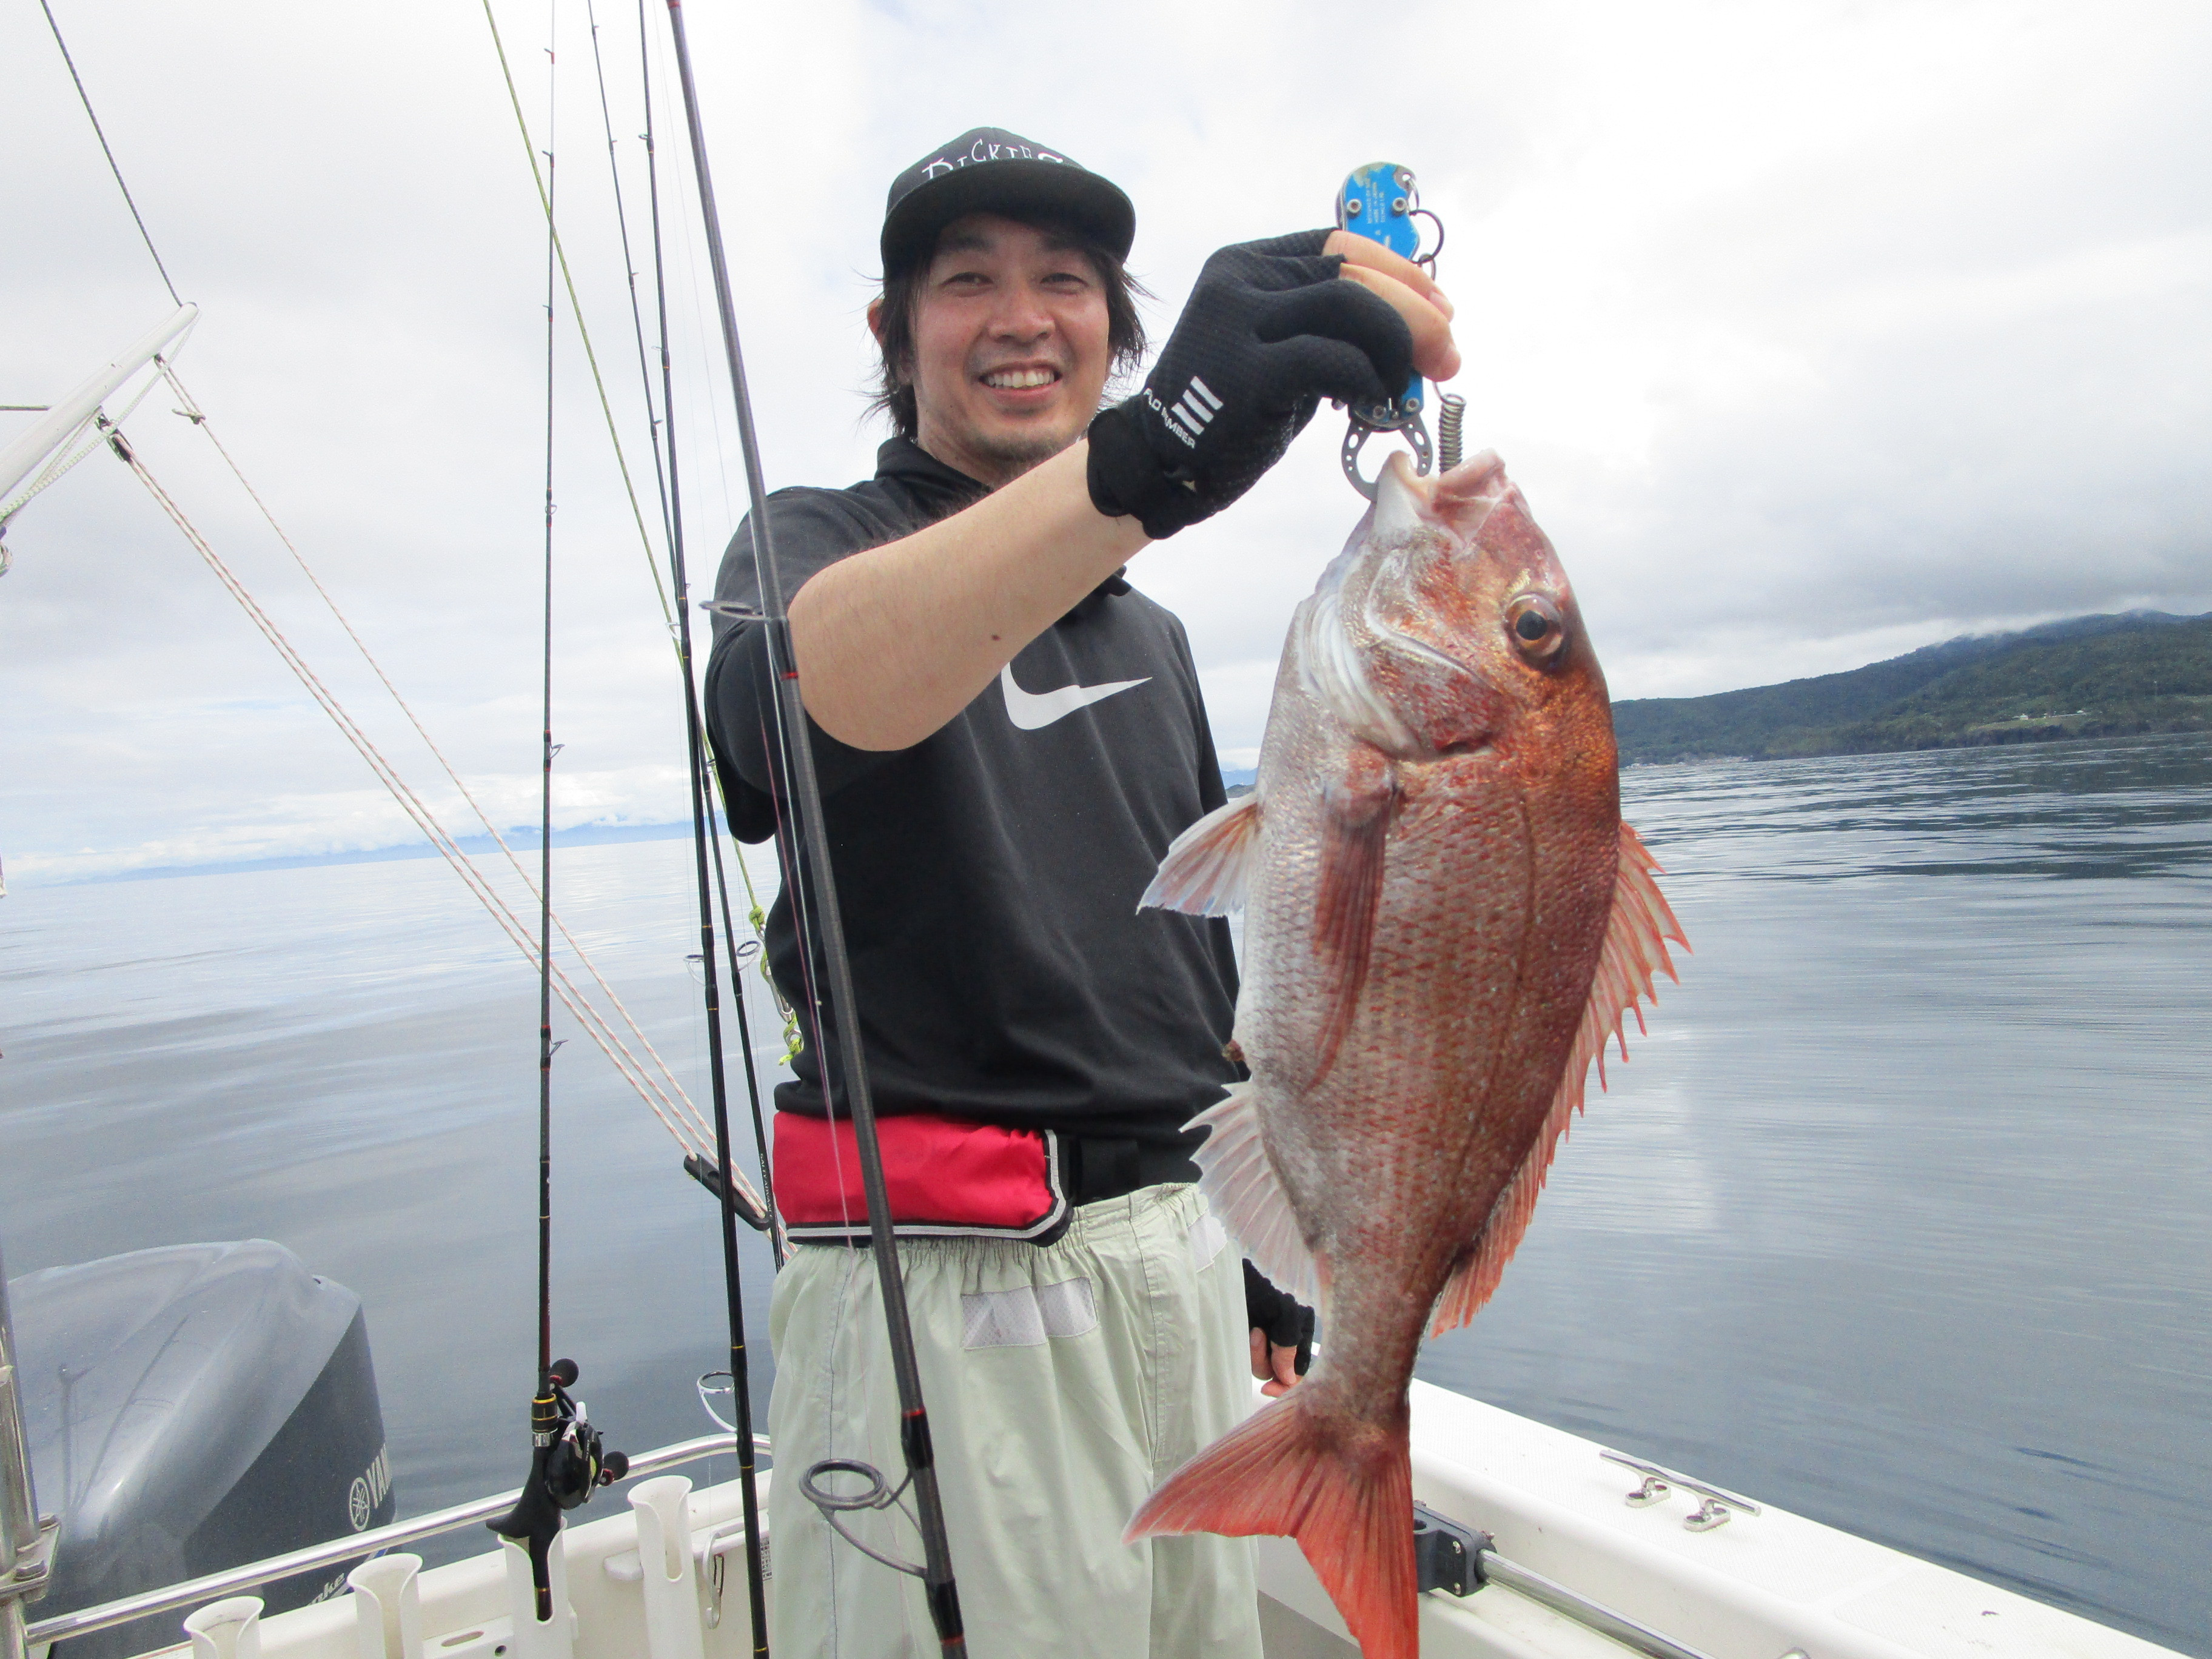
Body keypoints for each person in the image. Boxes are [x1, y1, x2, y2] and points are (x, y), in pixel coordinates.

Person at [704, 127, 1458, 1659]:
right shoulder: (815, 544)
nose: (1020, 319)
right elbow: (800, 698)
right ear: (894, 333)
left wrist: (1277, 1244)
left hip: (1179, 1263)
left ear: (1118, 331)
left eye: (1066, 283)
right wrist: (1144, 467)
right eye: (965, 280)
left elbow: (1206, 959)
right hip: (951, 1298)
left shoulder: (1154, 633)